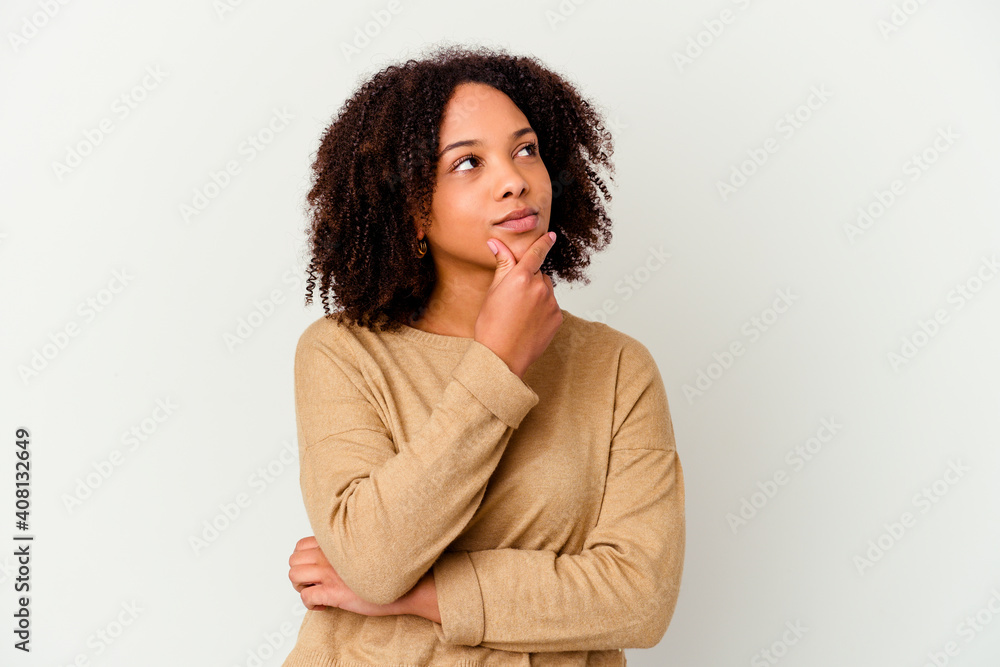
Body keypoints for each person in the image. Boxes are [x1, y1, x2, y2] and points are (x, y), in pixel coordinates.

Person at [280, 43, 685, 667]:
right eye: (468, 162)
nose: (514, 178)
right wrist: (497, 361)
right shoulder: (343, 353)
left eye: (526, 150)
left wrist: (415, 597)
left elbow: (640, 599)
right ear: (413, 209)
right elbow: (374, 559)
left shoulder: (617, 367)